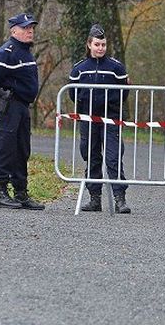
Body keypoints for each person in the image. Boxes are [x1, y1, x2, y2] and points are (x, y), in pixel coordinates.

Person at [0, 13, 44, 210]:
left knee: (21, 149)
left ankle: (20, 192)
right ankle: (0, 191)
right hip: (9, 105)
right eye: (25, 28)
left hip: (22, 106)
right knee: (5, 148)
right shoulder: (6, 52)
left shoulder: (25, 51)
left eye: (31, 27)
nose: (29, 30)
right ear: (13, 30)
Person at [68, 24, 131, 213]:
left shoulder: (116, 67)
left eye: (103, 44)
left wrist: (111, 106)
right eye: (97, 44)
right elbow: (73, 93)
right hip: (88, 120)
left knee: (113, 159)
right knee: (91, 157)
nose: (100, 48)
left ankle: (120, 199)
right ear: (89, 45)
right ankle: (94, 198)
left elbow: (124, 93)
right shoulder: (79, 69)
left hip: (111, 120)